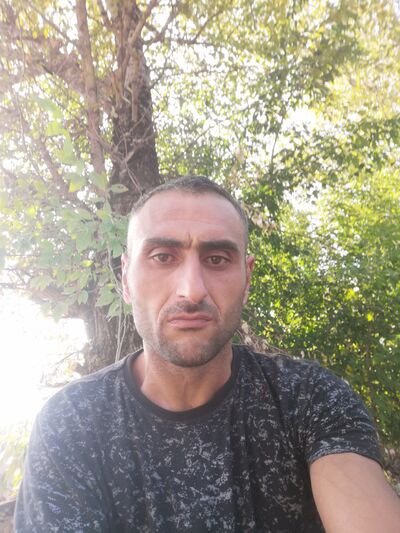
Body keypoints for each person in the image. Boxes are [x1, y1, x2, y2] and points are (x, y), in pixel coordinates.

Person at [15, 176, 400, 532]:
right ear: (127, 279)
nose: (192, 290)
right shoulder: (72, 425)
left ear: (247, 279)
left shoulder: (309, 399)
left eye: (217, 259)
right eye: (162, 256)